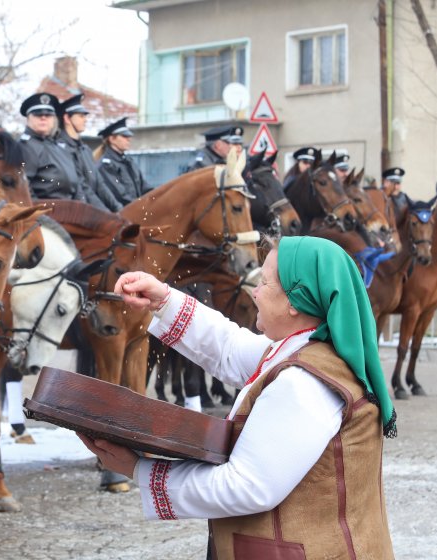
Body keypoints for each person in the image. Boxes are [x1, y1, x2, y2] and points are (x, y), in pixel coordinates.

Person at [80, 235, 396, 559]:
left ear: (295, 302)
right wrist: (163, 300)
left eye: (265, 282)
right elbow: (228, 348)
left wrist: (138, 468)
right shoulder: (306, 350)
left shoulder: (304, 384)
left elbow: (246, 486)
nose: (254, 292)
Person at [57, 93, 121, 212]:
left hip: (91, 210)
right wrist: (105, 214)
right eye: (81, 116)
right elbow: (82, 187)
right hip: (76, 212)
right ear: (67, 118)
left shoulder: (84, 149)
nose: (85, 120)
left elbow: (99, 184)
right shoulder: (61, 149)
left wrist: (118, 208)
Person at [18, 92, 84, 201]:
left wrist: (82, 207)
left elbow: (77, 183)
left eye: (48, 115)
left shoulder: (59, 146)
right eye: (38, 114)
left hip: (71, 208)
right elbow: (23, 187)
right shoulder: (25, 147)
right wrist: (40, 214)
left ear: (54, 120)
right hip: (45, 209)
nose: (43, 118)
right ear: (28, 118)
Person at [96, 117, 153, 207]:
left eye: (128, 136)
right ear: (112, 139)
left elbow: (144, 188)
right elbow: (120, 195)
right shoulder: (106, 166)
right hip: (120, 216)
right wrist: (141, 206)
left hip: (135, 212)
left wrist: (157, 197)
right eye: (124, 136)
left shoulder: (129, 162)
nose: (129, 139)